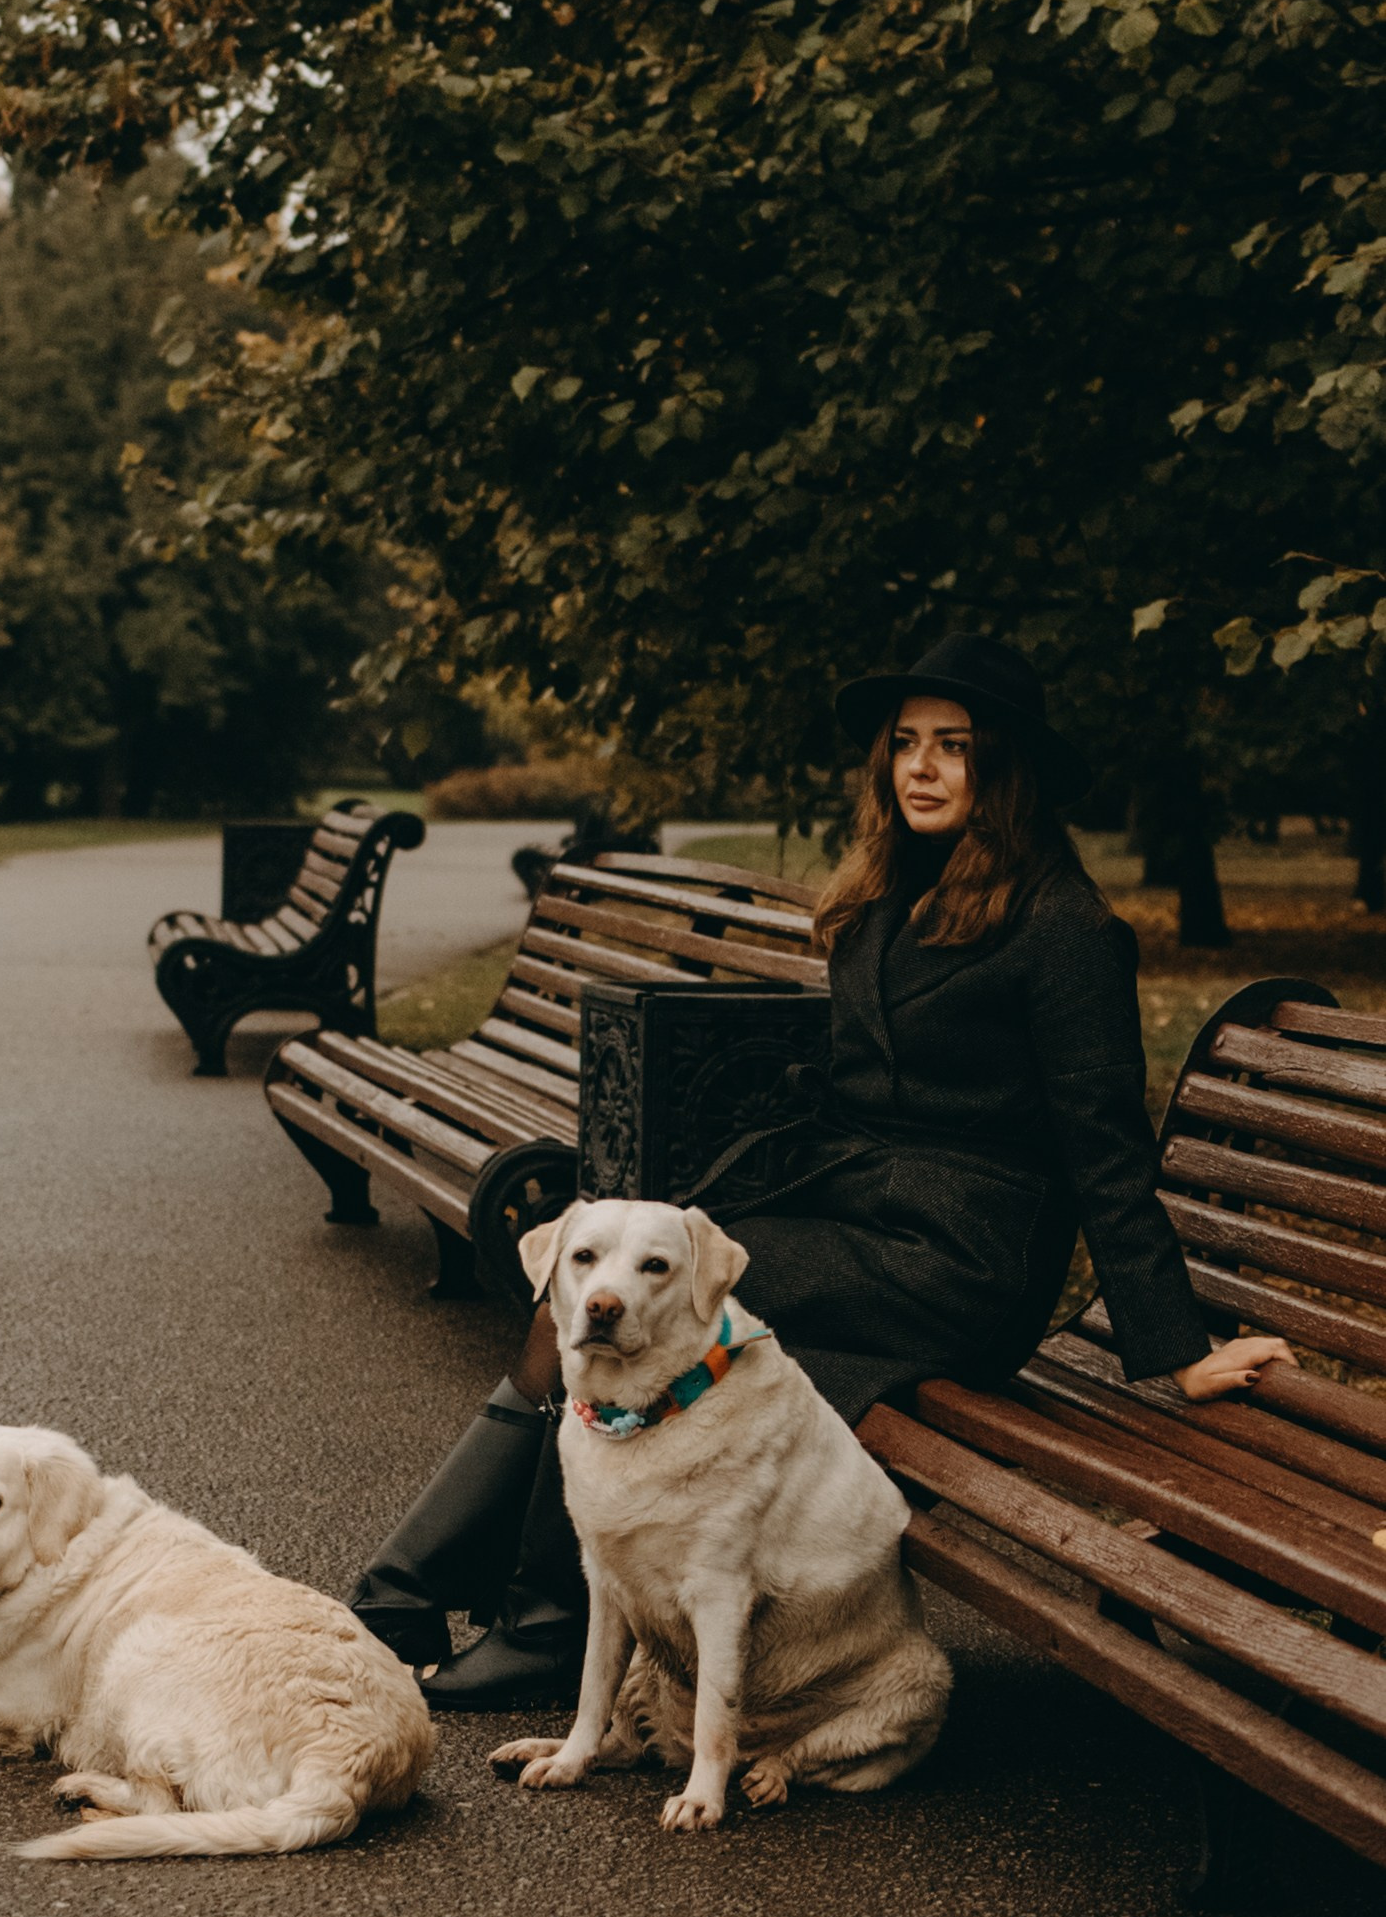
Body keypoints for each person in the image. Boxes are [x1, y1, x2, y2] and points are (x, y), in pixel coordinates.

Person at [351, 634, 1294, 1710]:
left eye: (955, 746)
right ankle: (424, 1598)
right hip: (859, 1220)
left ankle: (527, 1619)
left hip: (961, 1264)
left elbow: (1106, 1150)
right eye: (906, 745)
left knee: (645, 1306)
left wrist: (1173, 1350)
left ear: (1008, 771)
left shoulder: (1066, 930)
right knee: (591, 1289)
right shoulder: (884, 906)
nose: (923, 768)